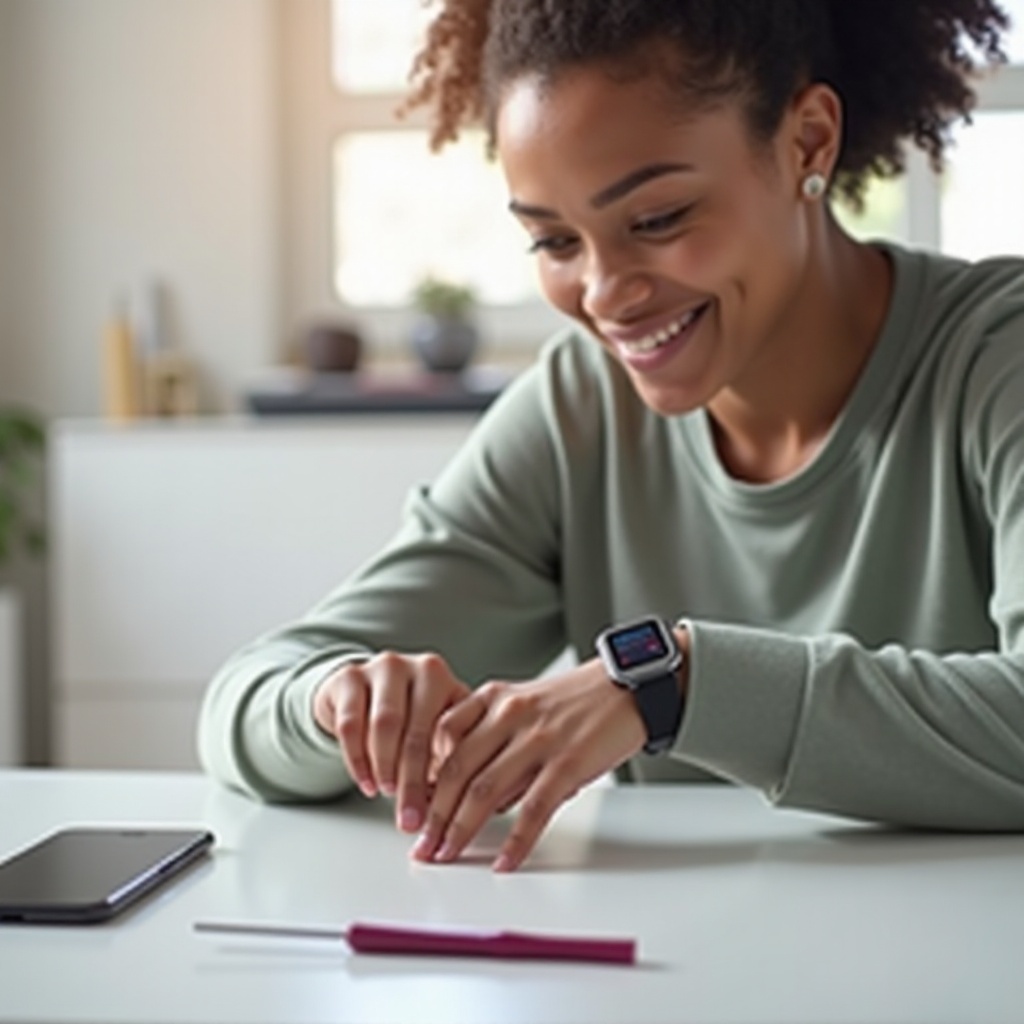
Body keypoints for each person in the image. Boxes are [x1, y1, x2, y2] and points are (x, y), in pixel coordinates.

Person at [199, 0, 1024, 873]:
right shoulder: (578, 409)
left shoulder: (993, 360)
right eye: (554, 240)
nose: (604, 294)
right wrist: (339, 702)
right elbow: (246, 703)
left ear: (807, 143)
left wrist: (679, 683)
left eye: (658, 219)